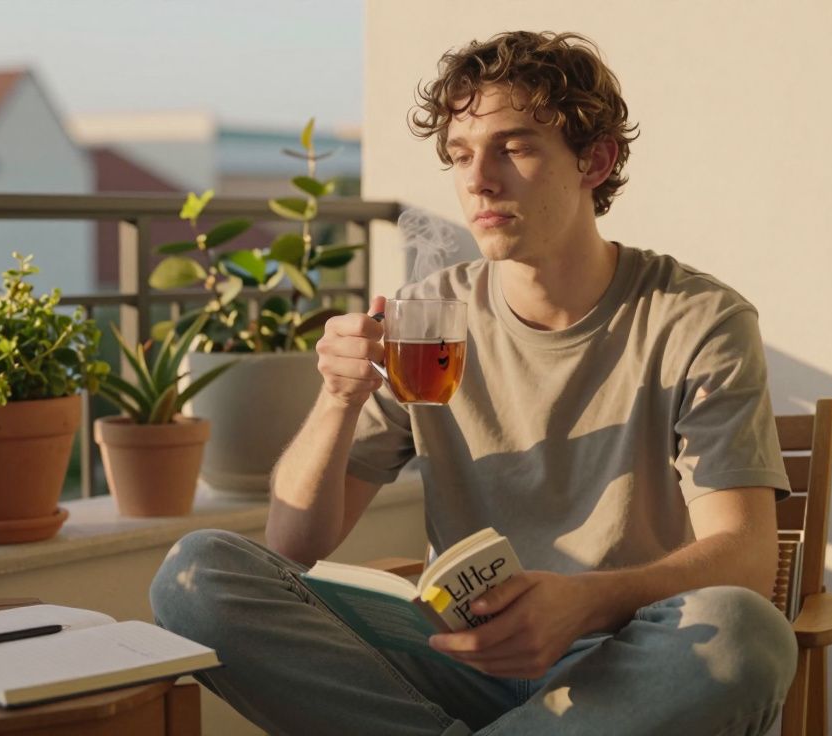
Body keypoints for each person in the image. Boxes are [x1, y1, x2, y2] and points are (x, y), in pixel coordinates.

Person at [152, 30, 797, 735]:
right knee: (195, 577)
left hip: (618, 672)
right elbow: (292, 544)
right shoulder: (430, 319)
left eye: (513, 148)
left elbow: (745, 555)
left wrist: (582, 603)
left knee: (743, 631)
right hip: (454, 659)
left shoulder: (697, 319)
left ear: (596, 160)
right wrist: (337, 400)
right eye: (460, 155)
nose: (478, 179)